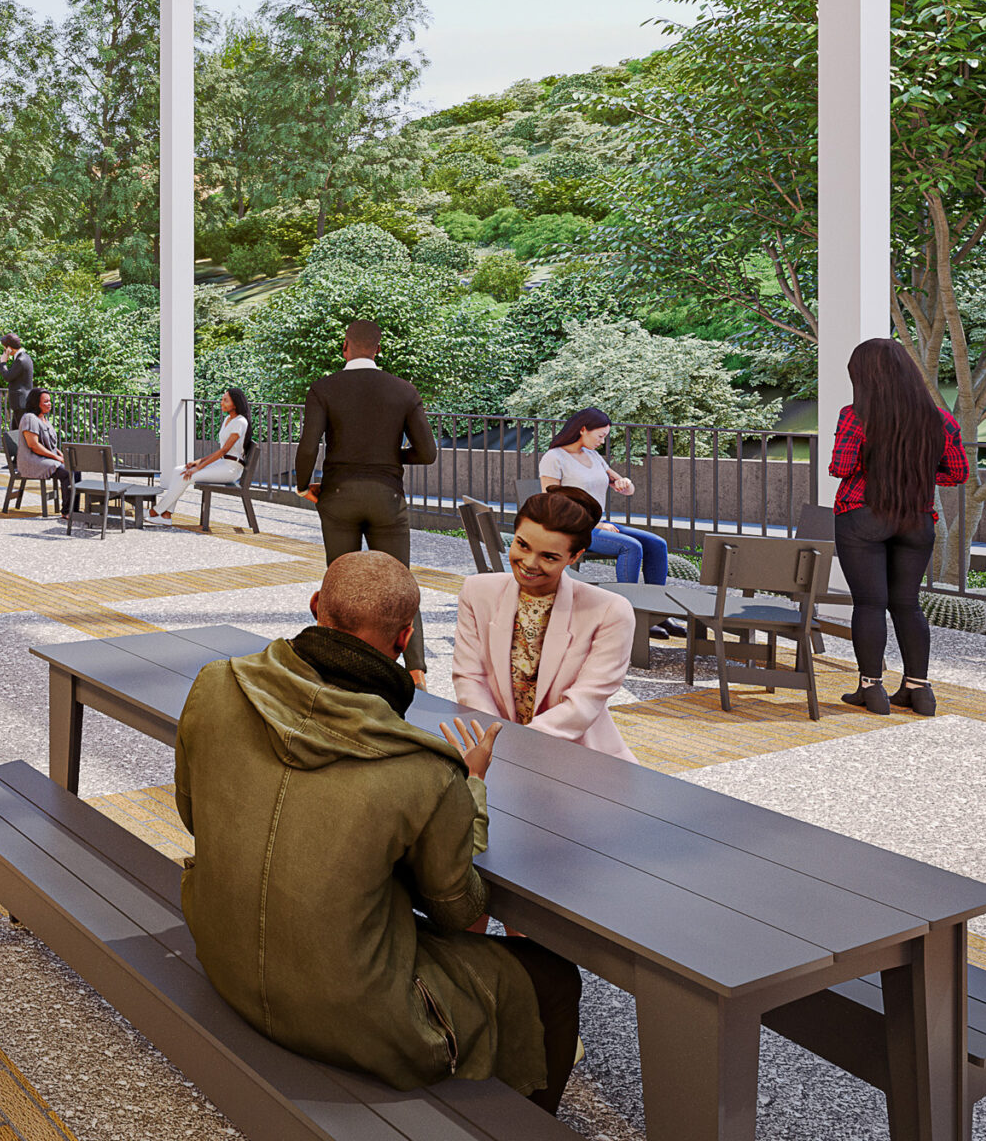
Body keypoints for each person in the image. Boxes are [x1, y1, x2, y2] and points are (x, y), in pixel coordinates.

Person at [174, 552, 582, 1115]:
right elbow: (456, 909)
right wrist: (469, 788)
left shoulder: (216, 685)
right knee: (554, 976)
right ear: (406, 637)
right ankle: (525, 1125)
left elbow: (195, 816)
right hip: (351, 1015)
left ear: (316, 607)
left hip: (224, 955)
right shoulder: (423, 767)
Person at [832, 337, 970, 716]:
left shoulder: (855, 415)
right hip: (916, 519)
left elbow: (841, 468)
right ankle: (919, 691)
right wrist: (915, 472)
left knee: (870, 603)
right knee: (908, 605)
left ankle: (871, 689)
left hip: (861, 515)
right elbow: (957, 473)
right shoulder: (939, 419)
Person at [293, 320, 437, 680]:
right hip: (387, 497)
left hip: (338, 496)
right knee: (399, 581)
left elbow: (309, 446)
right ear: (378, 349)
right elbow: (427, 452)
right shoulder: (404, 390)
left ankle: (337, 663)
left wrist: (302, 486)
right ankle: (416, 669)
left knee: (340, 582)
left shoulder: (324, 388)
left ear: (345, 346)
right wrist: (389, 458)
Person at [452, 487, 637, 760]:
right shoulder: (477, 591)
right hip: (493, 751)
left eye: (549, 556)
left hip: (579, 757)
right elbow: (470, 679)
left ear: (574, 557)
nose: (529, 563)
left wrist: (519, 746)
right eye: (522, 545)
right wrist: (495, 742)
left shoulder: (610, 611)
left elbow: (584, 703)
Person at [538, 408, 669, 587]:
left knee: (657, 544)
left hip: (598, 524)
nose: (603, 441)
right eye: (600, 436)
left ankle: (655, 609)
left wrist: (625, 482)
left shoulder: (594, 456)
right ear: (583, 429)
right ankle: (629, 607)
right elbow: (553, 504)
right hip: (571, 528)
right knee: (630, 547)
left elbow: (626, 490)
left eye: (605, 436)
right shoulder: (554, 457)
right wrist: (597, 524)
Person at [151, 386, 252, 521]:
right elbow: (221, 452)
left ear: (235, 403)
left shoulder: (240, 422)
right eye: (222, 399)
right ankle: (166, 515)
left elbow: (224, 450)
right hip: (222, 463)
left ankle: (156, 511)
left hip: (230, 469)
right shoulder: (228, 419)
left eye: (226, 400)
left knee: (186, 476)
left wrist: (198, 468)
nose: (222, 402)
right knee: (178, 470)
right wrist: (198, 462)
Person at [13, 388, 75, 507]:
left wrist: (61, 454)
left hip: (43, 458)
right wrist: (56, 458)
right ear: (36, 403)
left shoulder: (43, 418)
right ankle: (67, 510)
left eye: (50, 401)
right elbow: (34, 445)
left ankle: (74, 509)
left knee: (75, 469)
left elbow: (49, 444)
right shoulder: (30, 418)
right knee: (67, 472)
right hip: (31, 461)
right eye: (46, 402)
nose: (49, 404)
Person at [0, 333, 35, 460]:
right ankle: (15, 461)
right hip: (19, 403)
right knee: (15, 432)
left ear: (9, 348)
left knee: (21, 434)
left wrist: (3, 362)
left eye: (4, 348)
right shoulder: (22, 357)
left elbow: (8, 377)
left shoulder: (21, 359)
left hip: (21, 402)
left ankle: (25, 461)